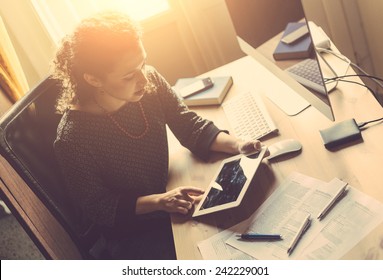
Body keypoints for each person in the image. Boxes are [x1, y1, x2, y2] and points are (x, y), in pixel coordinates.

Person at [52, 11, 262, 260]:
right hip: (135, 228)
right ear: (93, 79)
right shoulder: (72, 139)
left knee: (252, 216)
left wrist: (239, 145)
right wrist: (160, 201)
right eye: (129, 75)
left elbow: (188, 124)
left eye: (142, 64)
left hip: (170, 196)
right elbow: (100, 207)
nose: (143, 78)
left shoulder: (149, 80)